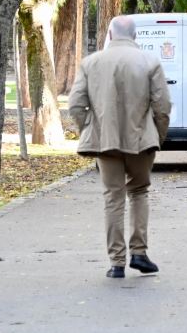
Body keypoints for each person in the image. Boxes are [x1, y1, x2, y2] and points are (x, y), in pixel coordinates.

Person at [68, 14, 171, 279]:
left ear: (111, 35)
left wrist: (91, 129)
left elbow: (76, 105)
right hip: (141, 140)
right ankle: (139, 252)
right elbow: (162, 106)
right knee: (139, 191)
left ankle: (116, 263)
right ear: (135, 36)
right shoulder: (150, 62)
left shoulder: (91, 63)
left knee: (112, 197)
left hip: (106, 141)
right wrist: (157, 136)